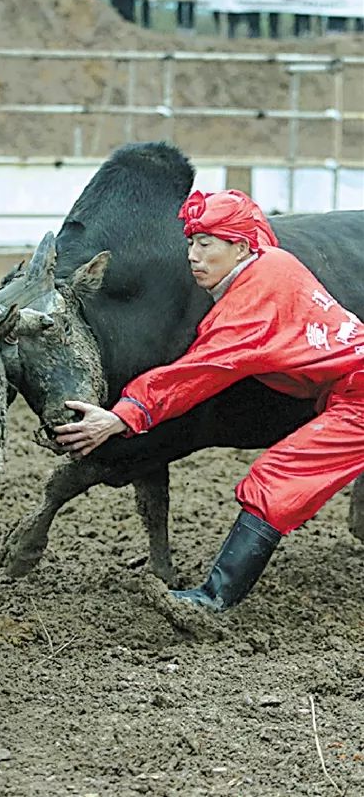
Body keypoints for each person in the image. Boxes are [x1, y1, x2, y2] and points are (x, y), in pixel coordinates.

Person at [54, 189, 364, 615]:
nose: (193, 256)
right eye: (190, 243)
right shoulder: (273, 264)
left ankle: (211, 600)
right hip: (346, 390)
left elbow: (197, 372)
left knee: (275, 480)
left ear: (239, 247)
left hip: (358, 397)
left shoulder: (253, 302)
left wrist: (120, 417)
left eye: (206, 243)